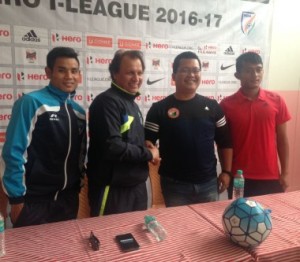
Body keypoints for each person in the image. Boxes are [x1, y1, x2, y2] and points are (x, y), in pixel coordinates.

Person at [0, 47, 87, 227]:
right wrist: (17, 199)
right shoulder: (31, 102)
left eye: (74, 71)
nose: (69, 76)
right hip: (34, 201)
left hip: (67, 200)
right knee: (30, 254)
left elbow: (80, 154)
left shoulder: (78, 111)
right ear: (49, 72)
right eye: (61, 70)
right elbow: (14, 153)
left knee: (65, 252)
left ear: (79, 74)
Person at [144, 51, 233, 207]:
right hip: (174, 185)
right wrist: (151, 150)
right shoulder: (158, 109)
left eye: (195, 70)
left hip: (209, 183)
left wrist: (226, 172)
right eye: (185, 70)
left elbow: (225, 142)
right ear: (173, 76)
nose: (191, 74)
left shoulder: (213, 107)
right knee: (179, 227)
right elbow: (147, 142)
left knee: (206, 228)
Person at [87, 49, 160, 216]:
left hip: (136, 187)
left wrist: (144, 144)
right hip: (112, 189)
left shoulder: (131, 103)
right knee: (108, 238)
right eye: (130, 73)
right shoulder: (106, 102)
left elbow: (126, 140)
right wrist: (148, 154)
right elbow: (112, 146)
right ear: (114, 74)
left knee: (135, 236)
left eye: (140, 73)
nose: (136, 78)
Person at [220, 52, 291, 198]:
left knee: (271, 219)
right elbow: (224, 144)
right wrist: (226, 172)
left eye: (258, 70)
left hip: (271, 177)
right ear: (237, 75)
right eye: (248, 71)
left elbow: (282, 140)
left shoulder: (277, 100)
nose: (255, 75)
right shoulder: (226, 105)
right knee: (239, 219)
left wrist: (285, 173)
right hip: (239, 177)